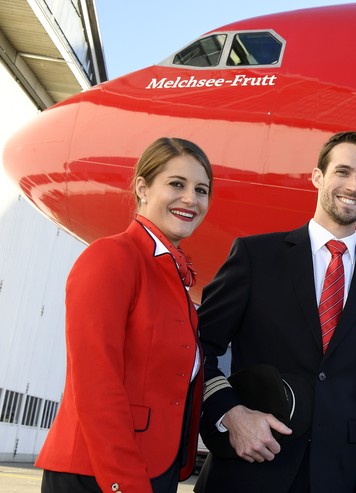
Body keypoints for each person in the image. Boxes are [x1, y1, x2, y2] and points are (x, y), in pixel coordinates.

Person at [195, 131, 356, 493]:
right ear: (317, 176)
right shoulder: (255, 257)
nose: (353, 186)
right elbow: (197, 347)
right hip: (250, 467)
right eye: (342, 172)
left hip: (336, 477)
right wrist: (231, 413)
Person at [36, 137, 213, 493]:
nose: (191, 199)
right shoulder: (112, 256)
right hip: (100, 473)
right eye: (176, 184)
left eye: (202, 189)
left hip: (154, 469)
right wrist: (125, 482)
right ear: (143, 188)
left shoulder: (171, 277)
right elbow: (96, 382)